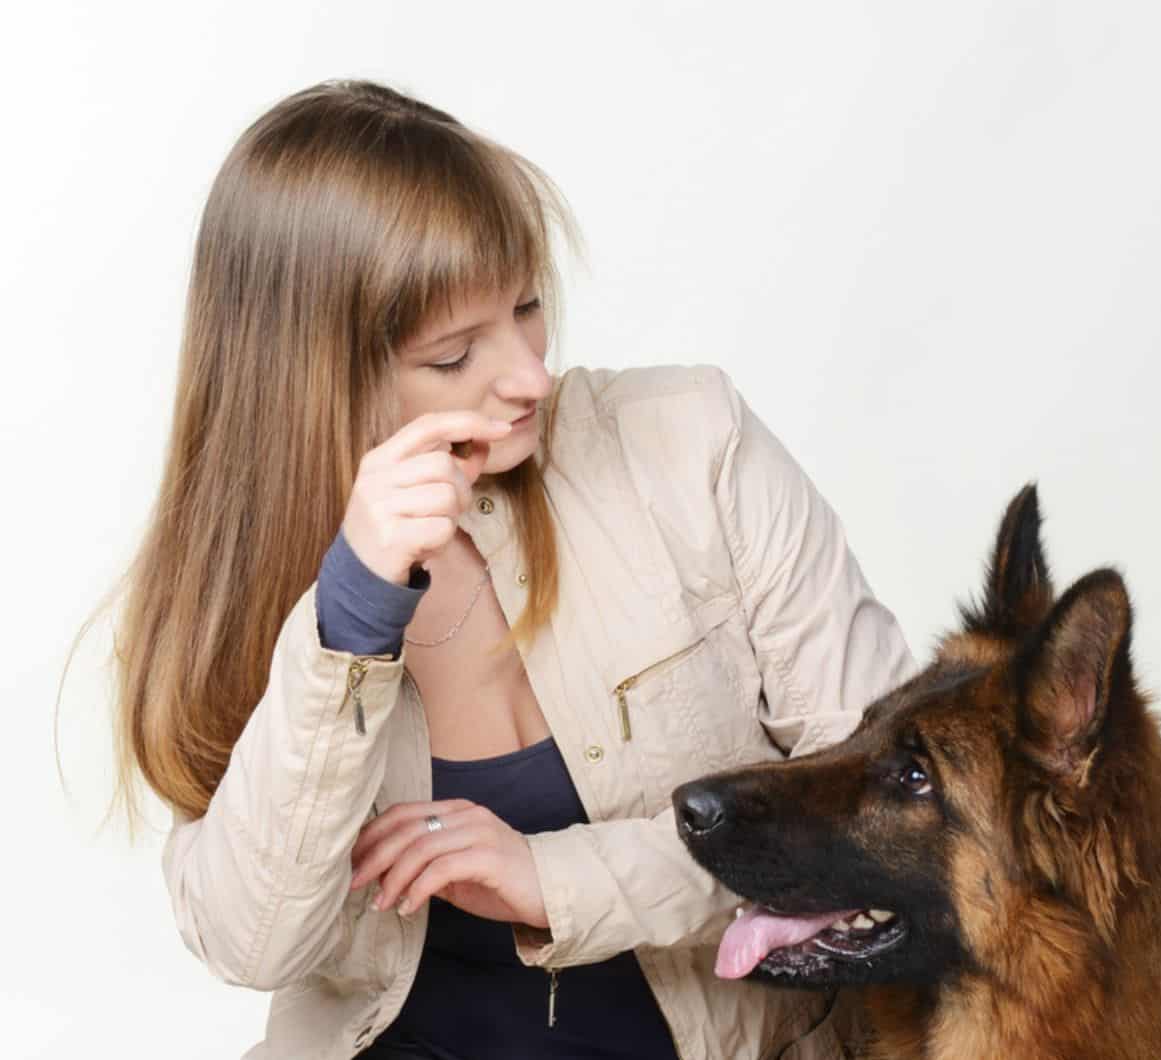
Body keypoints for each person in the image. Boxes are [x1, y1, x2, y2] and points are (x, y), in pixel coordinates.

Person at [109, 80, 916, 1060]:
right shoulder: (232, 585)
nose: (529, 374)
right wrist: (352, 614)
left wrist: (561, 879)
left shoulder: (690, 444)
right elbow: (255, 937)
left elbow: (894, 818)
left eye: (528, 305)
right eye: (453, 355)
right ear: (317, 378)